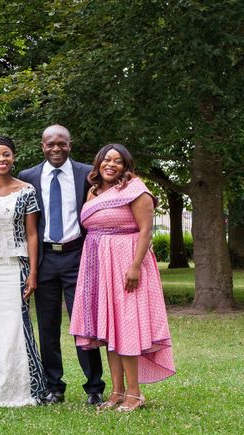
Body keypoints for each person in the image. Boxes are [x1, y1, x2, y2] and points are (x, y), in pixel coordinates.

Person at [70, 144, 175, 412]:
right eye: (107, 159)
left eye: (118, 161)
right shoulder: (94, 191)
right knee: (108, 329)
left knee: (126, 326)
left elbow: (145, 231)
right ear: (98, 163)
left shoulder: (137, 190)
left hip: (125, 262)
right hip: (97, 263)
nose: (111, 165)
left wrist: (135, 267)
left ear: (126, 166)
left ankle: (135, 393)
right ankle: (116, 392)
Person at [17, 125, 105, 406]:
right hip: (44, 258)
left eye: (61, 144)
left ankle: (94, 387)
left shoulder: (87, 174)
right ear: (41, 146)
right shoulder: (28, 177)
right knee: (48, 326)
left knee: (84, 325)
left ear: (70, 145)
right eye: (50, 144)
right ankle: (54, 386)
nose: (56, 149)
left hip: (77, 256)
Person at [0, 134, 48, 407]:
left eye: (6, 154)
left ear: (13, 157)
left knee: (16, 325)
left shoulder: (26, 190)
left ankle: (24, 389)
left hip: (16, 267)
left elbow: (32, 234)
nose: (1, 159)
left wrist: (33, 273)